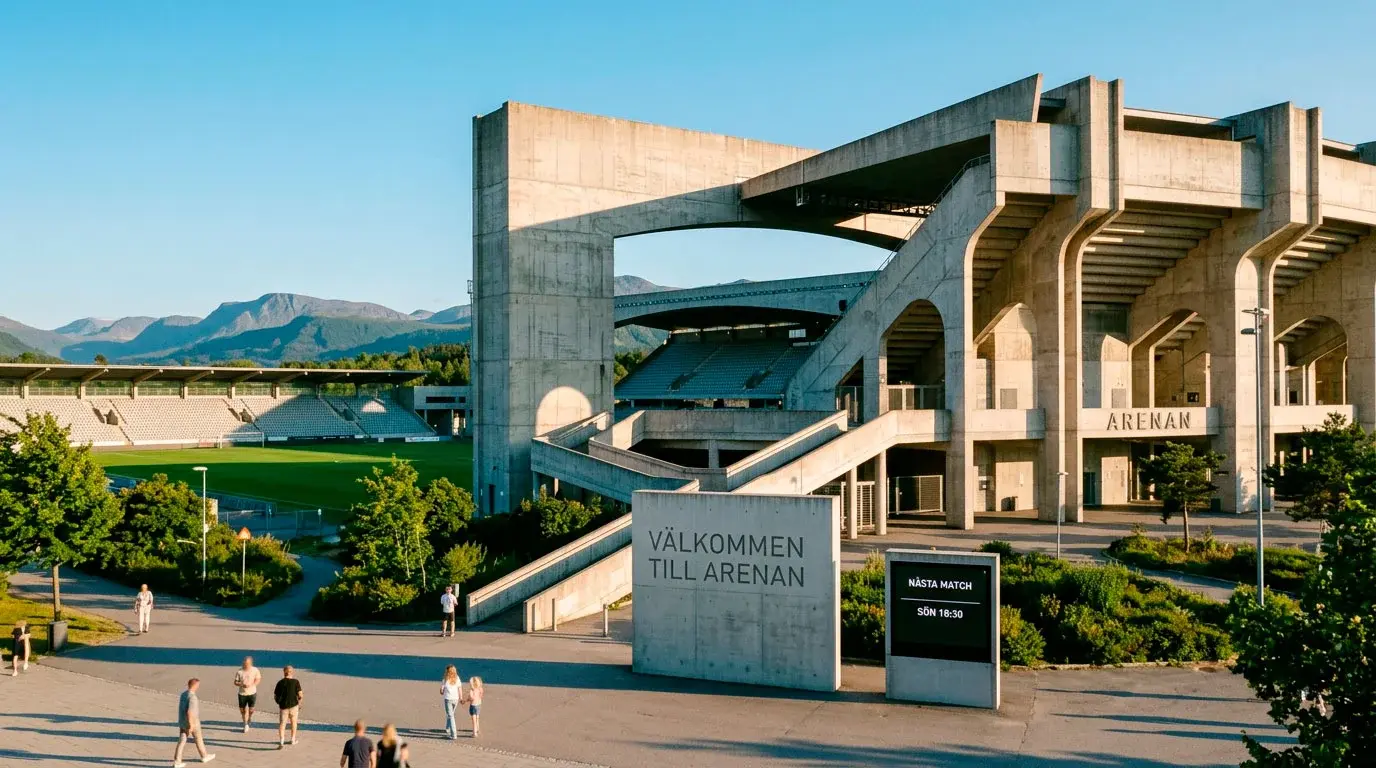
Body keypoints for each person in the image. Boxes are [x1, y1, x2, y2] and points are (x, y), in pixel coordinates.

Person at [172, 678, 216, 767]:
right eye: (198, 685)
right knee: (198, 739)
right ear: (195, 685)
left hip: (182, 722)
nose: (198, 687)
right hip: (192, 723)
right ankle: (204, 756)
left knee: (182, 741)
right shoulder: (193, 697)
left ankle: (177, 761)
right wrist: (191, 725)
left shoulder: (183, 694)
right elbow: (190, 712)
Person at [273, 665, 304, 749]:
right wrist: (299, 703)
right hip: (294, 706)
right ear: (291, 672)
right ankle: (293, 740)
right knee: (294, 723)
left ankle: (281, 741)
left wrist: (279, 702)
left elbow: (275, 696)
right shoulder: (296, 682)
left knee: (282, 724)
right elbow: (300, 695)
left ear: (284, 672)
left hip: (283, 707)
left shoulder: (280, 683)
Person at [232, 655, 262, 733]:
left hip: (252, 693)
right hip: (242, 694)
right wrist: (242, 684)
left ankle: (249, 718)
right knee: (242, 710)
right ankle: (245, 724)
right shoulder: (240, 671)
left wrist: (253, 685)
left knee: (251, 710)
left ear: (251, 663)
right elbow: (235, 682)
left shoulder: (255, 670)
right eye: (244, 663)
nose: (245, 665)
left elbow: (258, 679)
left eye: (247, 664)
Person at [441, 664, 462, 739]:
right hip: (455, 699)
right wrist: (461, 698)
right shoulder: (457, 678)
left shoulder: (445, 679)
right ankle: (448, 728)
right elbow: (459, 688)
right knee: (451, 714)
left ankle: (454, 734)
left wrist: (442, 690)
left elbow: (441, 691)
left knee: (451, 716)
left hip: (448, 699)